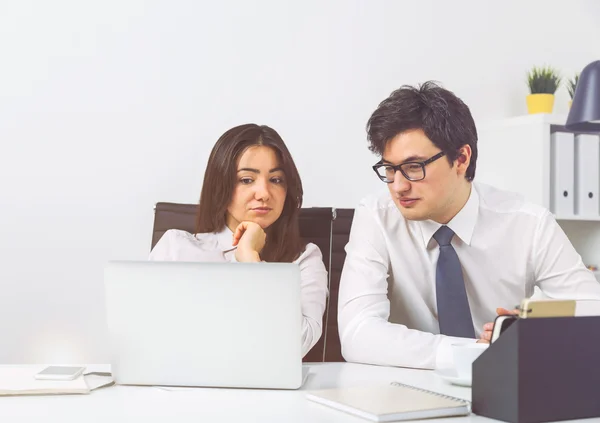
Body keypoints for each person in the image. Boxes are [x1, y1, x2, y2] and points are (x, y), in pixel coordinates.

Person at [337, 81, 600, 370]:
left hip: (506, 386)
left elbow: (592, 313)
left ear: (461, 159)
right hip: (406, 390)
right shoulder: (376, 216)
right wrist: (471, 351)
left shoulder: (529, 224)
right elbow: (357, 333)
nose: (398, 186)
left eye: (414, 167)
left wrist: (534, 332)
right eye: (389, 168)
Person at [150, 123, 328, 357]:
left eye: (276, 179)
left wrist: (249, 260)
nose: (264, 193)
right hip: (182, 387)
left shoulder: (304, 258)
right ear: (221, 185)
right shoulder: (176, 248)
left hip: (269, 390)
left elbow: (296, 346)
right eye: (246, 180)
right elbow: (146, 338)